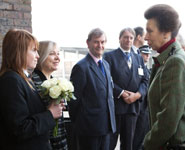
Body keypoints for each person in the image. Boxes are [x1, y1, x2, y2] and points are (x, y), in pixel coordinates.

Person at [0, 29, 63, 150]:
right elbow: (20, 129)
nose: (38, 56)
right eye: (34, 50)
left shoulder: (23, 78)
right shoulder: (11, 80)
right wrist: (50, 114)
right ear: (20, 51)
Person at [143, 4, 185, 150]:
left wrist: (147, 144)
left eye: (150, 31)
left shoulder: (174, 61)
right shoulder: (167, 57)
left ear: (166, 33)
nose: (145, 36)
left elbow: (169, 117)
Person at [69, 28, 116, 150]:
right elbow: (74, 100)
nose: (100, 45)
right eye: (96, 42)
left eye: (103, 42)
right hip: (89, 129)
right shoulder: (81, 67)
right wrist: (80, 124)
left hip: (106, 126)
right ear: (88, 43)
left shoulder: (106, 65)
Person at [104, 27, 149, 150]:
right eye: (125, 37)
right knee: (109, 144)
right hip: (115, 107)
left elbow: (145, 80)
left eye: (131, 38)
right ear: (119, 39)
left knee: (128, 144)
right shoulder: (109, 56)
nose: (128, 40)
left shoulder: (138, 58)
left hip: (132, 108)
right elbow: (106, 80)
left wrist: (138, 95)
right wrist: (122, 93)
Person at [31, 41, 68, 150]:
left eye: (58, 54)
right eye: (52, 53)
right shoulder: (32, 81)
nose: (57, 58)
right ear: (41, 55)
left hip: (60, 141)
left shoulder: (55, 81)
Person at [133, 45, 151, 150]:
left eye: (148, 53)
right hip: (136, 108)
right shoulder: (134, 69)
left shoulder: (148, 71)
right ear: (139, 54)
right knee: (135, 139)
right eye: (145, 53)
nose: (147, 56)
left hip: (146, 110)